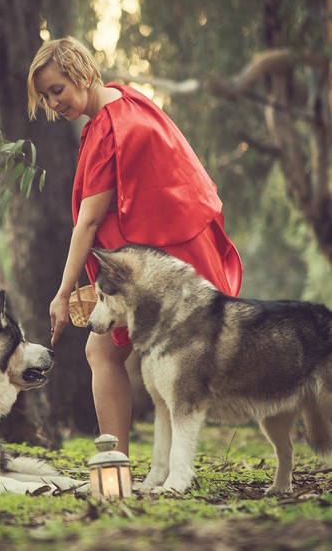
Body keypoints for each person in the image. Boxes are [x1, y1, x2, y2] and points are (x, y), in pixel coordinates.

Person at [27, 36, 243, 455]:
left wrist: (63, 292)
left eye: (58, 89)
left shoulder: (109, 127)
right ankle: (127, 461)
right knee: (118, 354)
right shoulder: (129, 101)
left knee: (103, 352)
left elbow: (89, 220)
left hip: (158, 264)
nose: (54, 103)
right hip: (160, 258)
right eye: (46, 96)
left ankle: (115, 463)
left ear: (85, 74)